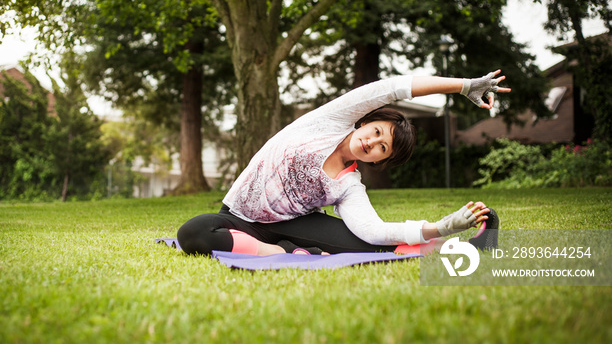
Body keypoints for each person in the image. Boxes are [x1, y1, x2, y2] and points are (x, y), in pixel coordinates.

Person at [177, 71, 508, 256]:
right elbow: (394, 88)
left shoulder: (349, 185)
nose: (372, 143)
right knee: (193, 234)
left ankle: (469, 247)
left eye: (382, 148)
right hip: (238, 217)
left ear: (381, 160)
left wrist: (445, 226)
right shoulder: (332, 119)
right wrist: (464, 86)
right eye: (376, 132)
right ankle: (276, 253)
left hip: (293, 223)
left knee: (378, 247)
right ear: (365, 122)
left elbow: (373, 230)